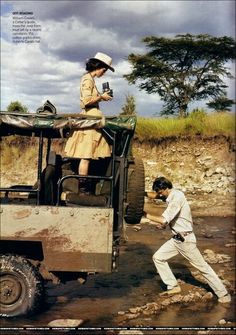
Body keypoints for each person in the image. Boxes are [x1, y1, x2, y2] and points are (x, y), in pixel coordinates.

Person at [145, 176, 231, 303]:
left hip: (185, 240)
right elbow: (156, 196)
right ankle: (173, 286)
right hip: (176, 240)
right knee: (158, 257)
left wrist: (145, 215)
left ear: (165, 188)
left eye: (160, 192)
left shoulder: (176, 198)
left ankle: (223, 294)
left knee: (203, 268)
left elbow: (164, 219)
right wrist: (139, 192)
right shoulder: (171, 194)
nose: (159, 195)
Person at [64, 52, 114, 193]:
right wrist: (101, 97)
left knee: (89, 156)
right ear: (99, 66)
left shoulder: (90, 80)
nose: (104, 73)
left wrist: (101, 97)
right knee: (86, 156)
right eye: (104, 70)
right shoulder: (87, 80)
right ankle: (83, 188)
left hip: (92, 119)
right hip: (90, 120)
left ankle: (85, 187)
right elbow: (85, 101)